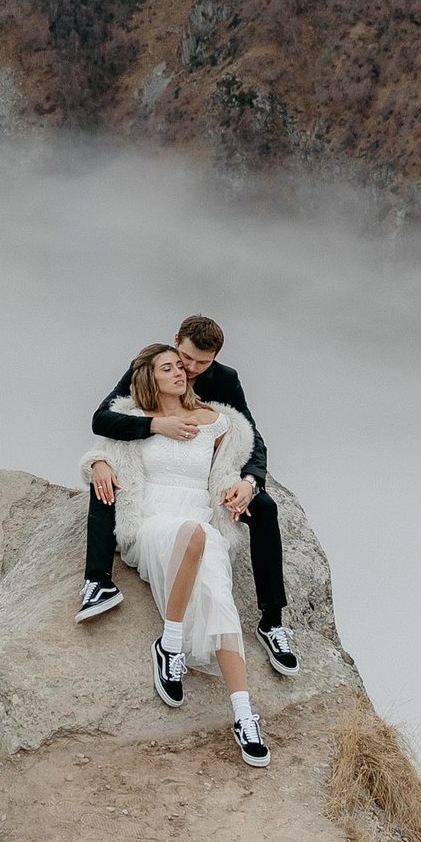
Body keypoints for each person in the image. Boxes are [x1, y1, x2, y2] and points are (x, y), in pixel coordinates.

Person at [75, 314, 298, 681]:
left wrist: (250, 480)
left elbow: (251, 435)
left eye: (202, 363)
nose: (190, 369)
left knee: (265, 508)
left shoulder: (226, 381)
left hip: (210, 474)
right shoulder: (151, 366)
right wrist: (155, 425)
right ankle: (98, 581)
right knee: (106, 477)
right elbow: (104, 419)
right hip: (158, 469)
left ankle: (272, 622)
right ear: (176, 340)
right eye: (186, 358)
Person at [78, 343, 271, 767]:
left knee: (221, 602)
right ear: (151, 379)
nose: (181, 372)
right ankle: (172, 643)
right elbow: (102, 448)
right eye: (169, 368)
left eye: (181, 367)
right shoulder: (134, 420)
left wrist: (245, 486)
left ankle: (243, 715)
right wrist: (97, 465)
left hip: (201, 515)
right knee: (193, 535)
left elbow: (240, 463)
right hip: (152, 521)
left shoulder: (219, 422)